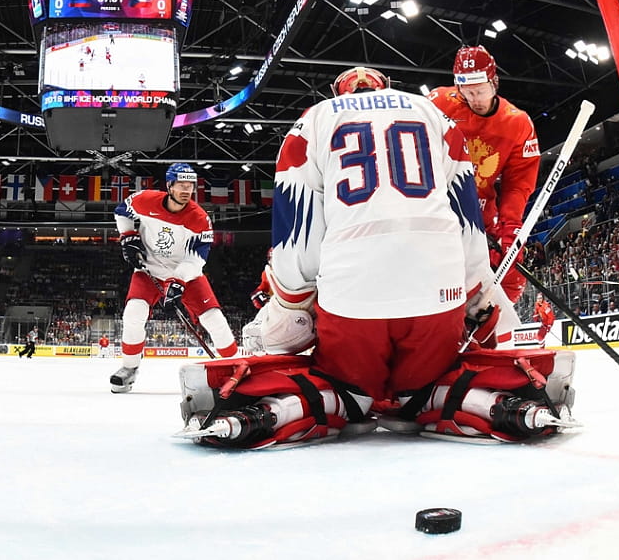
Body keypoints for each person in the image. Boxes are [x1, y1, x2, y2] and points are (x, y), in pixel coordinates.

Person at [175, 67, 576, 449]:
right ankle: (502, 404)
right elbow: (466, 219)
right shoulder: (435, 115)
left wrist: (293, 302)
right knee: (423, 387)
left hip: (354, 299)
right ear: (386, 87)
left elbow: (297, 232)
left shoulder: (312, 121)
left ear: (340, 94)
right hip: (438, 294)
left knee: (349, 391)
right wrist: (476, 295)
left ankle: (270, 411)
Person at [109, 162, 239, 393]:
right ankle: (129, 369)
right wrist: (128, 236)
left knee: (214, 320)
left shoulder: (200, 219)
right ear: (169, 185)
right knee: (133, 314)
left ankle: (238, 367)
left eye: (191, 185)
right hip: (149, 271)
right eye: (181, 184)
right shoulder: (144, 200)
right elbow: (122, 211)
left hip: (187, 275)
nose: (187, 190)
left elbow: (197, 259)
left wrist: (178, 282)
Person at [427, 45, 541, 304]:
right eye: (467, 92)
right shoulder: (438, 103)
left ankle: (495, 333)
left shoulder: (517, 123)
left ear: (494, 82)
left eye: (480, 90)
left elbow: (518, 181)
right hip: (438, 207)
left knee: (510, 274)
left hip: (480, 214)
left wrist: (510, 224)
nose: (474, 98)